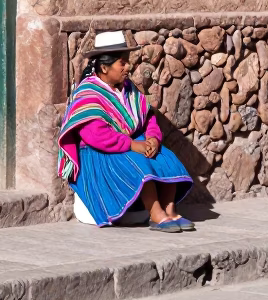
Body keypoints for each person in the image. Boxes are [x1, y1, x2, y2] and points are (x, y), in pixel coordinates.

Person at [57, 30, 194, 232]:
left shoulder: (128, 89)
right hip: (99, 154)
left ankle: (169, 210)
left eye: (127, 61)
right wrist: (132, 144)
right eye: (122, 62)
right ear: (104, 67)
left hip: (126, 145)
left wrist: (153, 139)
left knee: (166, 157)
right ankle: (156, 215)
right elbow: (96, 136)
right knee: (140, 165)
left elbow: (148, 118)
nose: (128, 67)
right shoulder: (87, 94)